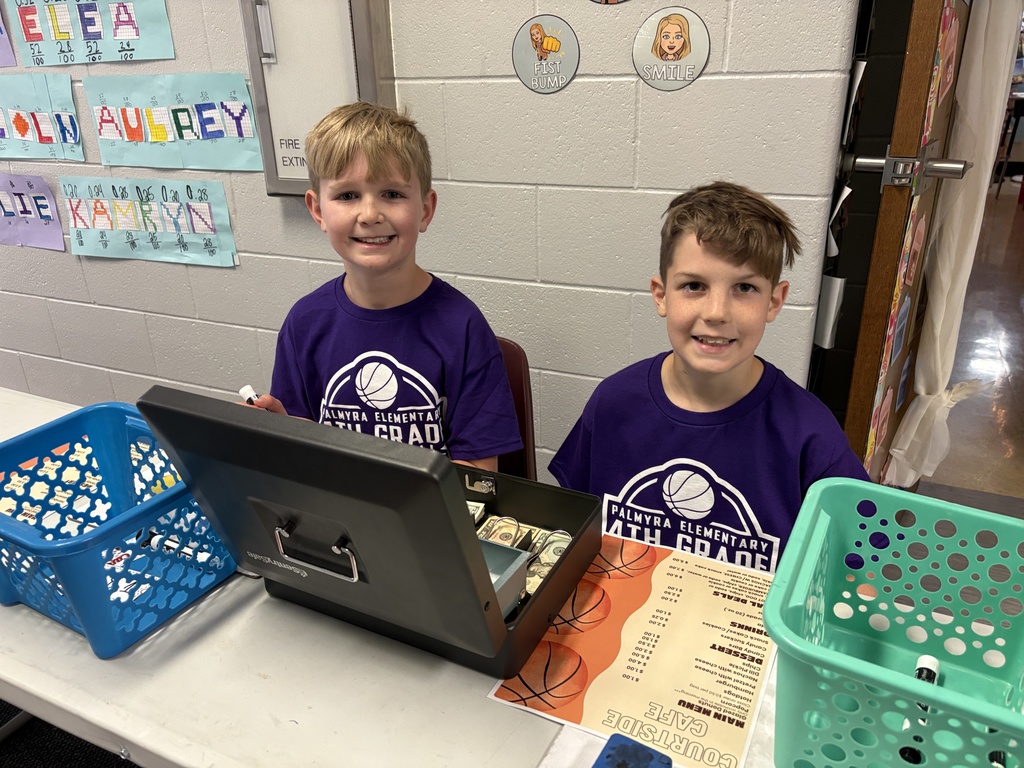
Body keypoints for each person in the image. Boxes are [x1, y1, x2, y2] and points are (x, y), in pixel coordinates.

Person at [549, 181, 869, 573]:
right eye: (694, 286)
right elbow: (573, 525)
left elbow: (857, 570)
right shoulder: (614, 402)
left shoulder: (809, 435)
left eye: (745, 288)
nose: (717, 311)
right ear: (661, 294)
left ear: (775, 301)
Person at [252, 102, 522, 471]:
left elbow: (480, 477)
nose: (370, 214)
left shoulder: (463, 328)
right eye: (347, 195)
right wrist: (283, 433)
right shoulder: (304, 323)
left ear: (425, 210)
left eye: (392, 194)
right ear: (317, 211)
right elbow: (303, 456)